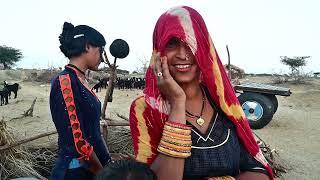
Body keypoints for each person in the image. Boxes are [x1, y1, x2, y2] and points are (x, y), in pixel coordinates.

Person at [129, 6, 273, 180]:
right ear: (159, 52)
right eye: (172, 43)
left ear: (204, 48)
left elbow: (258, 170)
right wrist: (177, 103)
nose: (182, 54)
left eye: (191, 42)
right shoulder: (145, 108)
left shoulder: (222, 100)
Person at [49, 22, 111, 180]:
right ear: (88, 46)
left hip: (91, 170)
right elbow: (78, 142)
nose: (103, 59)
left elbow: (86, 122)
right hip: (76, 172)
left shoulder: (79, 80)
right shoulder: (65, 82)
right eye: (101, 50)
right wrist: (103, 174)